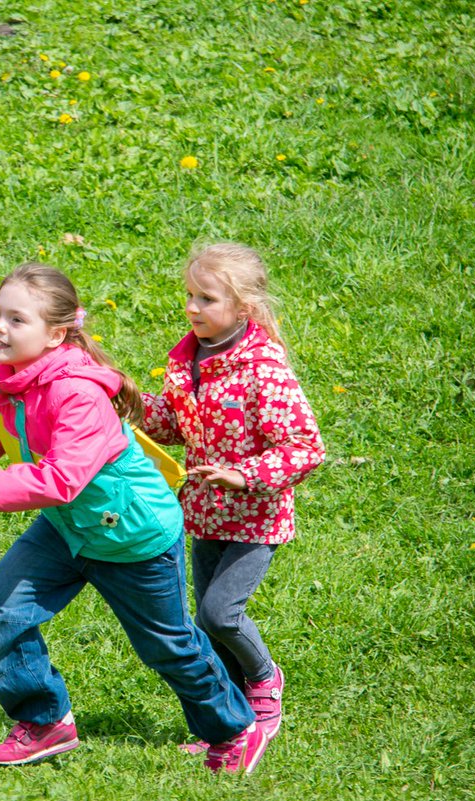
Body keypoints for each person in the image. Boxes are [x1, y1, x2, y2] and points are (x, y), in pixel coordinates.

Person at [0, 262, 265, 773]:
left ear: (56, 333)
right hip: (66, 528)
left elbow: (63, 478)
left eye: (17, 320)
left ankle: (234, 728)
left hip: (131, 535)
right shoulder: (3, 382)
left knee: (167, 648)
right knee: (4, 609)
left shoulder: (75, 391)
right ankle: (45, 722)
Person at [142, 242, 325, 751]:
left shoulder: (263, 369)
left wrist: (243, 476)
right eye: (189, 295)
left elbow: (305, 447)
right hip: (203, 513)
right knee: (207, 625)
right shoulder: (189, 359)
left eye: (206, 299)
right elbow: (174, 425)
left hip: (254, 518)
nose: (192, 308)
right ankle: (229, 722)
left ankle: (265, 680)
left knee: (219, 615)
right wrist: (127, 403)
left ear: (243, 308)